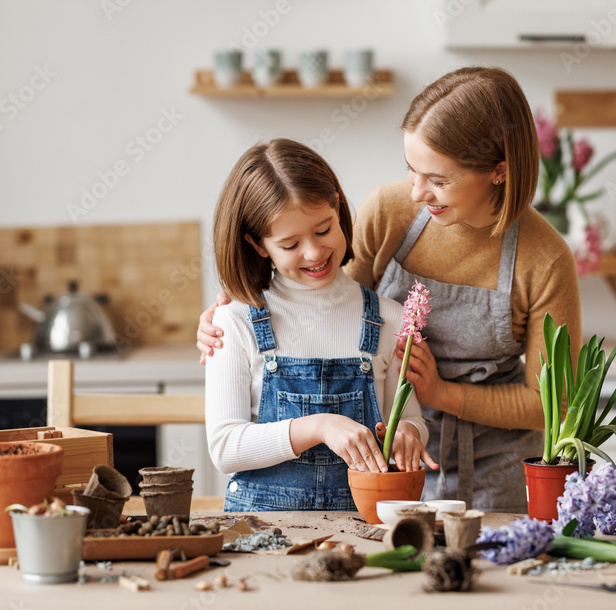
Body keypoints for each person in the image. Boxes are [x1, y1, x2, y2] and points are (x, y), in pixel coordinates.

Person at [200, 67, 581, 513]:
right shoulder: (391, 211)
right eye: (411, 170)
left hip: (494, 466)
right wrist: (235, 311)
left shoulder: (545, 259)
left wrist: (440, 395)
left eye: (438, 180)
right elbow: (329, 303)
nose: (418, 192)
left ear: (498, 172)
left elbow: (549, 403)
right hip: (384, 463)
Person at [206, 139, 436, 512]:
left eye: (324, 229)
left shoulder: (391, 318)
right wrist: (319, 427)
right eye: (290, 243)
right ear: (259, 245)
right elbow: (225, 448)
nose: (313, 252)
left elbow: (409, 418)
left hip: (362, 536)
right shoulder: (233, 322)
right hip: (262, 539)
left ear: (338, 207)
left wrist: (409, 434)